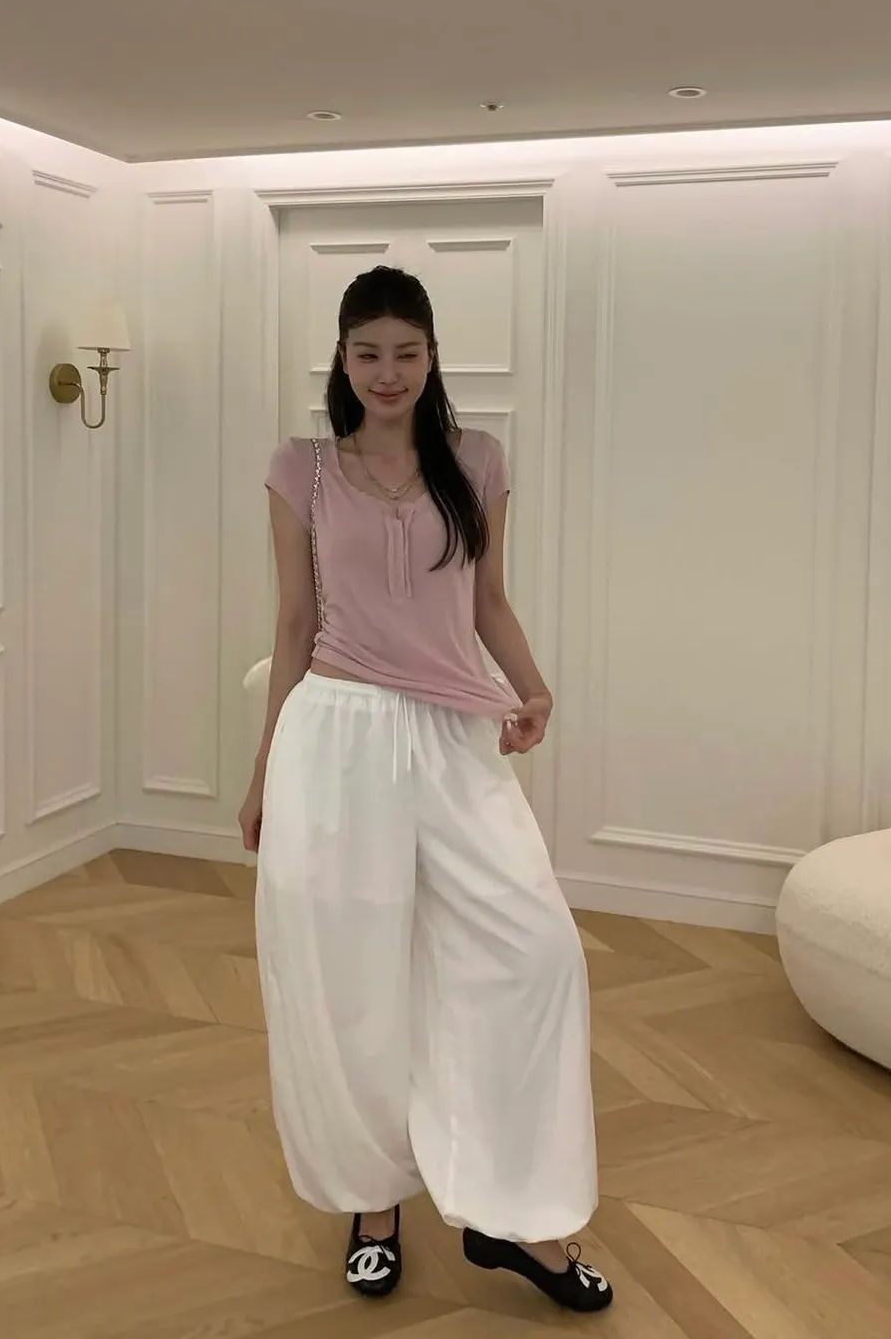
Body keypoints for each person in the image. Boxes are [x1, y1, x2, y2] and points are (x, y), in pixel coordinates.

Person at [237, 265, 613, 1314]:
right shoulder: (302, 467)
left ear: (433, 355)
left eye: (406, 351)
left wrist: (534, 687)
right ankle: (373, 1203)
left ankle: (515, 1212)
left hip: (453, 736)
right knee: (352, 976)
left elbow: (489, 601)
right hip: (337, 736)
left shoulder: (477, 459)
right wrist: (264, 770)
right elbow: (293, 624)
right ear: (342, 357)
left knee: (535, 951)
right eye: (368, 352)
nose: (388, 371)